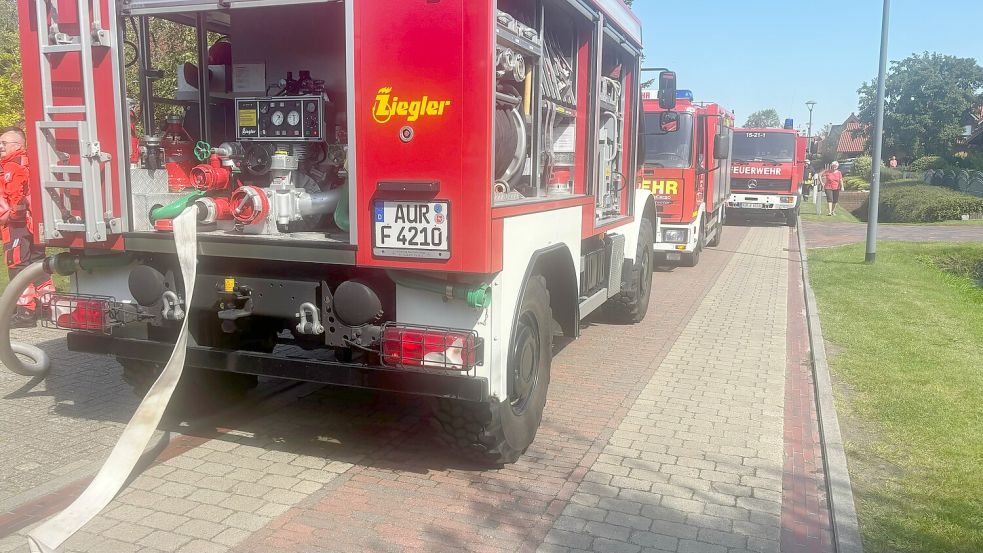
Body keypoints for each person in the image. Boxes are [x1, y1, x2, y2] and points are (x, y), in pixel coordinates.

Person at [1, 127, 53, 328]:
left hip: (18, 225)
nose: (0, 146)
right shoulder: (31, 162)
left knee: (17, 265)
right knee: (38, 264)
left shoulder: (13, 166)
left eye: (5, 143)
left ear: (18, 145)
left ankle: (25, 313)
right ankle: (49, 307)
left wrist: (13, 215)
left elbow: (16, 196)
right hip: (34, 224)